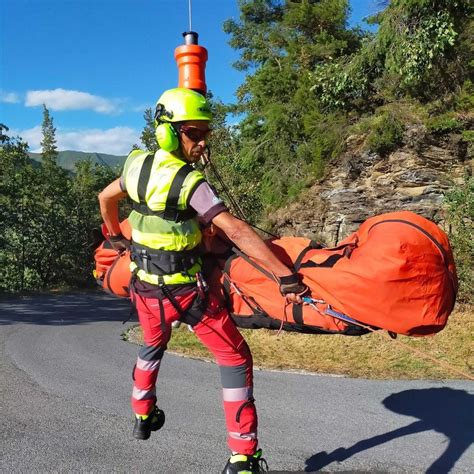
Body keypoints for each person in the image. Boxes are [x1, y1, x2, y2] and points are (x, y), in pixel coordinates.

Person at [98, 88, 306, 474]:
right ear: (168, 133)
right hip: (189, 295)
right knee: (235, 357)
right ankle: (243, 456)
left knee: (151, 345)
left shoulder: (136, 165)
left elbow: (105, 198)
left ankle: (143, 414)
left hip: (144, 288)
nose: (202, 141)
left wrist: (115, 237)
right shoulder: (189, 182)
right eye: (194, 132)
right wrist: (285, 275)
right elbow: (238, 231)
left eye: (205, 132)